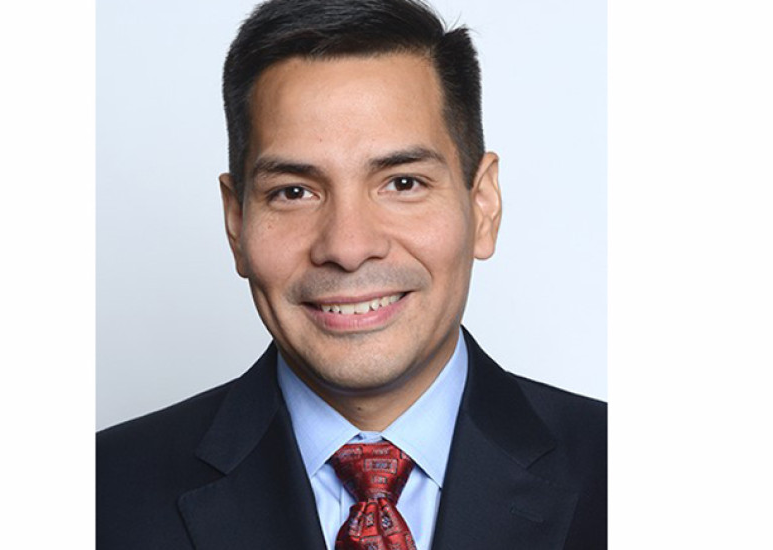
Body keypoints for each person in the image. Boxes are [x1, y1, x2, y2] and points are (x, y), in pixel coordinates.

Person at [96, 0, 606, 548]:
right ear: (236, 222)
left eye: (403, 183)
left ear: (482, 206)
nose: (348, 246)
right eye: (293, 192)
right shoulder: (99, 498)